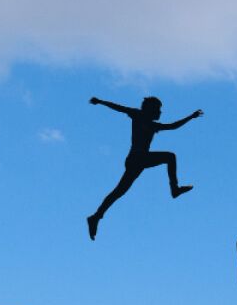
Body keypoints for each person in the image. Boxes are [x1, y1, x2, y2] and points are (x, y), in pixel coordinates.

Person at [86, 96, 203, 240]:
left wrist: (191, 117)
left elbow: (172, 126)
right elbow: (118, 107)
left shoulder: (154, 126)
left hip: (140, 160)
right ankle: (175, 189)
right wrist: (100, 102)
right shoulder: (137, 115)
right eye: (158, 109)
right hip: (136, 158)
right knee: (169, 157)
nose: (160, 112)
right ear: (150, 110)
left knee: (119, 191)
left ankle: (96, 217)